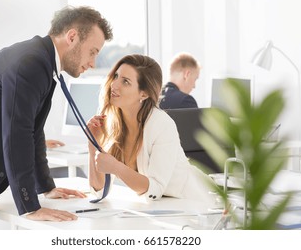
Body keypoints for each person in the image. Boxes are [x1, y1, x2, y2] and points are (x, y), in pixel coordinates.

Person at [0, 5, 113, 229]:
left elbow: (33, 130)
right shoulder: (31, 62)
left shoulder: (41, 61)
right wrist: (30, 206)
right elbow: (18, 132)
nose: (93, 63)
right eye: (93, 52)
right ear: (72, 37)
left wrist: (45, 187)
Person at [87, 54, 217, 207]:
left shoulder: (161, 124)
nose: (114, 85)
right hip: (159, 208)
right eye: (116, 76)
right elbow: (99, 191)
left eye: (125, 82)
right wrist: (92, 144)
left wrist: (116, 167)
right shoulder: (113, 123)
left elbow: (154, 190)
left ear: (144, 94)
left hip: (193, 204)